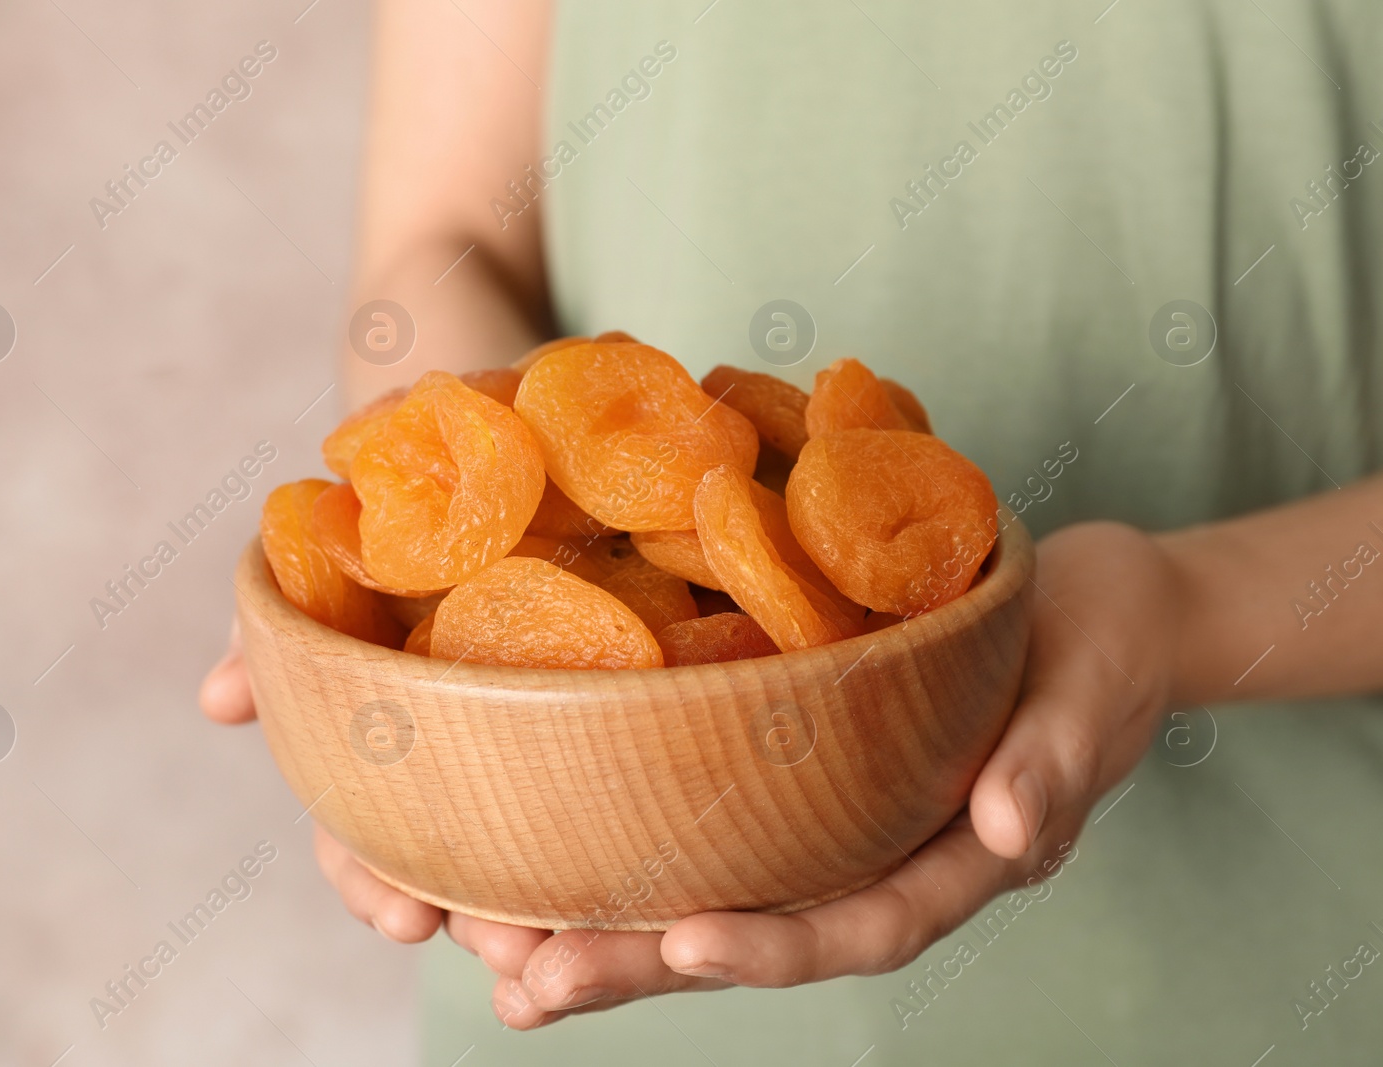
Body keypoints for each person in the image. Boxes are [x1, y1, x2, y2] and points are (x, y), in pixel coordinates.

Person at [202, 1, 1383, 1061]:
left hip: (1272, 964)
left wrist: (1177, 607)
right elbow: (443, 240)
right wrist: (467, 559)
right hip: (584, 908)